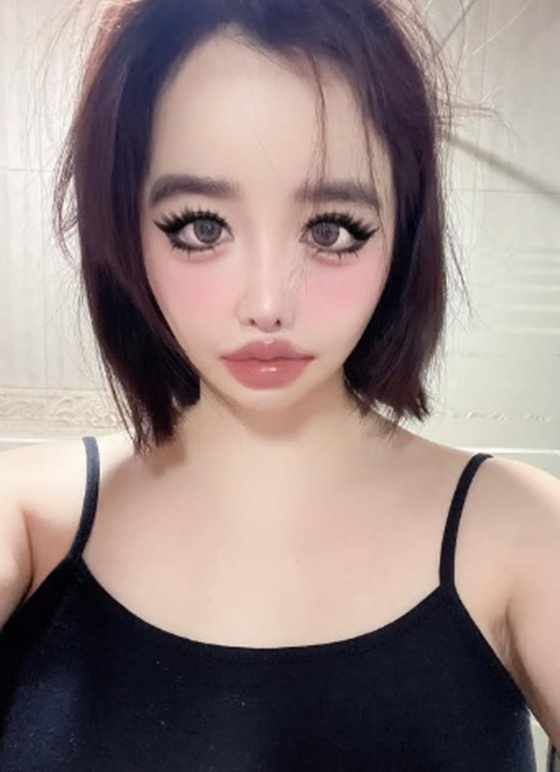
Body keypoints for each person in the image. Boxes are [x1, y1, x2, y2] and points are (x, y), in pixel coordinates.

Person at [0, 0, 559, 768]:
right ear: (127, 230)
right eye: (200, 226)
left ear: (402, 234)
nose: (266, 303)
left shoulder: (523, 530)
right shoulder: (25, 518)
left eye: (332, 229)